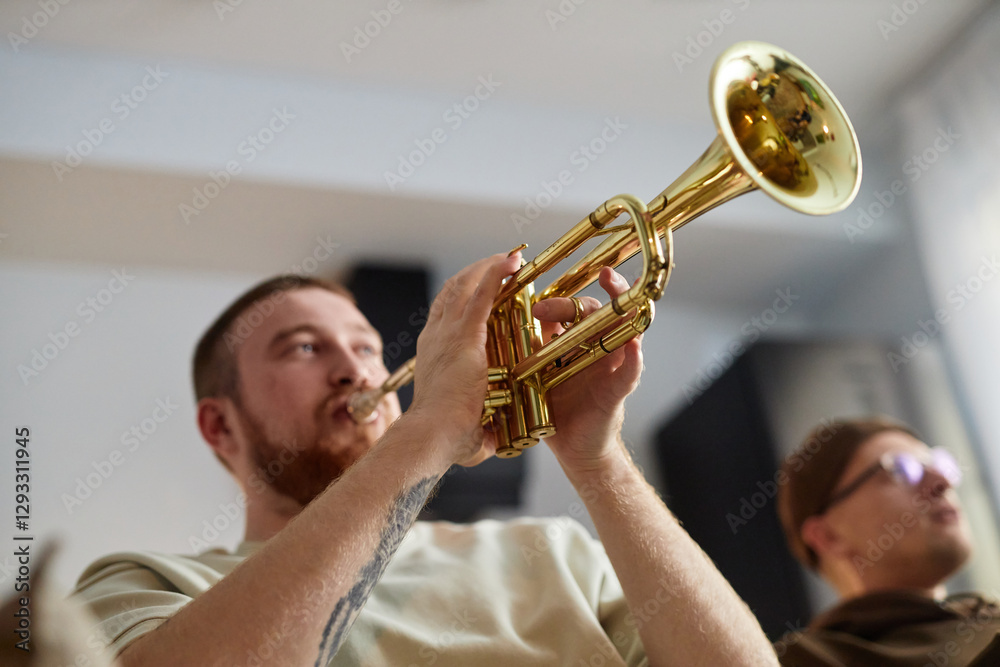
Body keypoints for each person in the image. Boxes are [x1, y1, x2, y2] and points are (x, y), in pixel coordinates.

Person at [71, 252, 777, 666]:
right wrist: (432, 426)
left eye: (367, 346)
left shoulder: (555, 551)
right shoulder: (147, 584)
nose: (355, 369)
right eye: (304, 348)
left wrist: (598, 459)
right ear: (219, 425)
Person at [774, 416, 1000, 666]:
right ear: (829, 536)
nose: (942, 482)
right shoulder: (809, 660)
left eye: (940, 464)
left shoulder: (985, 614)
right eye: (901, 470)